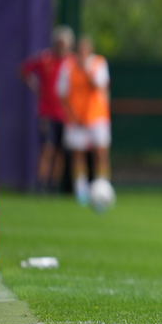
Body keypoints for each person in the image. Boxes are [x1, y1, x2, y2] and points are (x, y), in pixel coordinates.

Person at [56, 35, 112, 206]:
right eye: (79, 50)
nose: (82, 53)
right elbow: (62, 93)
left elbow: (99, 85)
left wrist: (85, 68)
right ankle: (81, 193)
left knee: (100, 153)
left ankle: (103, 189)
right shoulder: (68, 66)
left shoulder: (98, 64)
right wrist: (71, 115)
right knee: (77, 154)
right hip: (76, 119)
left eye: (85, 50)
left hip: (97, 117)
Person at [18, 25, 74, 193]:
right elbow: (24, 70)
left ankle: (53, 185)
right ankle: (41, 184)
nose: (61, 46)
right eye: (59, 42)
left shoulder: (71, 63)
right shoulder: (45, 59)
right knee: (47, 149)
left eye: (64, 43)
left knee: (60, 151)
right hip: (47, 112)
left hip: (66, 114)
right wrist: (35, 87)